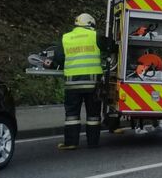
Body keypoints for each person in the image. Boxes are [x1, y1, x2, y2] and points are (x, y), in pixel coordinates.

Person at [47, 13, 113, 150]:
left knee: (72, 115)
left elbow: (59, 58)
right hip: (92, 84)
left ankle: (71, 143)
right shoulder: (95, 36)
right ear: (90, 24)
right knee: (93, 115)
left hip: (72, 85)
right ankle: (93, 143)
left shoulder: (66, 37)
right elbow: (111, 47)